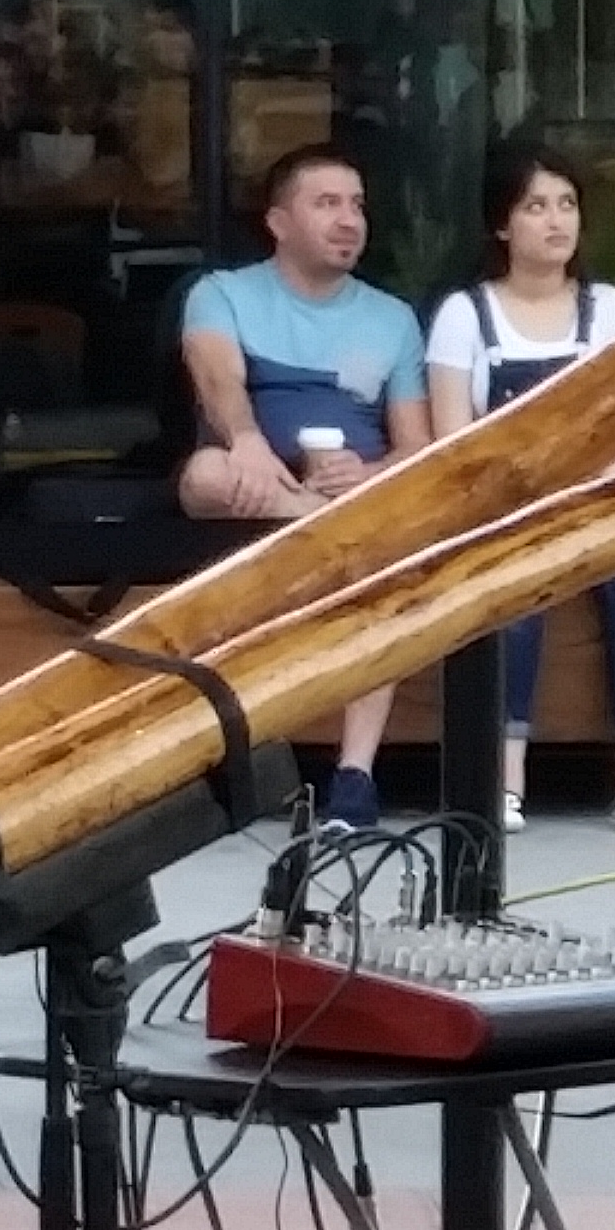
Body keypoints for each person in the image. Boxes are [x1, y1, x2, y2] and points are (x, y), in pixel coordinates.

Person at [178, 143, 427, 826]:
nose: (349, 220)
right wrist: (249, 442)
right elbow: (217, 378)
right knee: (205, 473)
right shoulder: (222, 293)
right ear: (278, 223)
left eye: (357, 206)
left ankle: (354, 777)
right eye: (327, 204)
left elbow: (417, 449)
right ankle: (317, 522)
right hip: (255, 492)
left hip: (357, 502)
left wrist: (368, 474)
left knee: (384, 550)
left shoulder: (393, 319)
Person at [430, 140, 615, 833]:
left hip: (599, 504)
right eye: (535, 206)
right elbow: (454, 446)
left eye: (566, 204)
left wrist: (597, 501)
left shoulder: (610, 309)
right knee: (515, 580)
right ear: (502, 224)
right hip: (505, 509)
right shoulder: (464, 315)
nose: (555, 220)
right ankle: (506, 783)